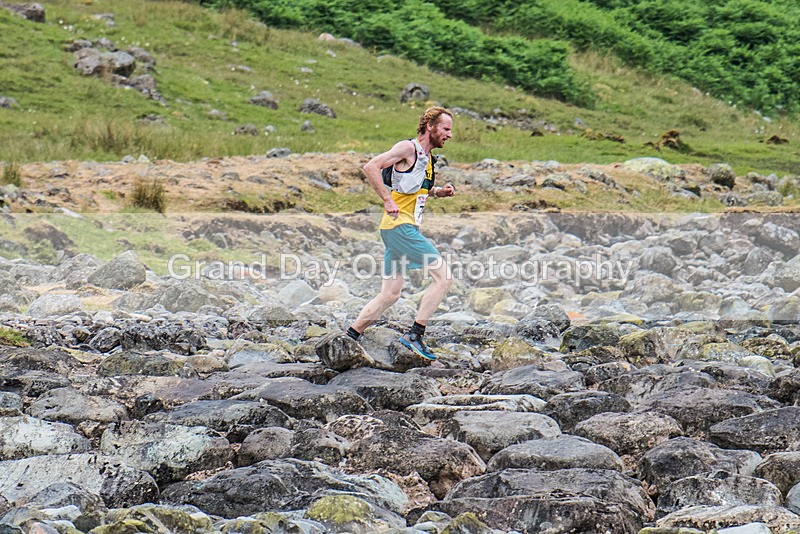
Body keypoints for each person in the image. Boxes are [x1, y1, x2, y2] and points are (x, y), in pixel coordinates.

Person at [345, 107, 456, 360]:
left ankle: (349, 337)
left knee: (391, 293)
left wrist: (439, 192)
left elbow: (412, 190)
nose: (449, 135)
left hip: (395, 229)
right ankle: (415, 334)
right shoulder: (409, 148)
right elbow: (371, 166)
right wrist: (386, 199)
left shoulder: (427, 160)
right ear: (430, 126)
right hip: (399, 227)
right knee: (444, 278)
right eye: (446, 129)